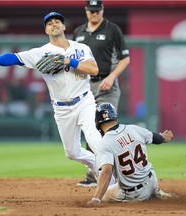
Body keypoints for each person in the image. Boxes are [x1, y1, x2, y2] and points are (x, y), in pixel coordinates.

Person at [0, 12, 102, 176]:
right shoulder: (40, 53)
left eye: (57, 21)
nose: (54, 24)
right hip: (62, 108)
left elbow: (94, 70)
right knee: (72, 153)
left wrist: (69, 61)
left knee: (94, 139)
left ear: (64, 26)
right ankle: (95, 165)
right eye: (50, 23)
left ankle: (112, 179)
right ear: (46, 30)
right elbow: (14, 58)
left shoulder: (81, 48)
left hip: (84, 101)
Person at [72, 0, 130, 187]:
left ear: (102, 10)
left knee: (107, 126)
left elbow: (125, 58)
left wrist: (112, 76)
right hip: (86, 86)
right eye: (92, 11)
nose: (95, 14)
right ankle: (93, 174)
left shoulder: (112, 29)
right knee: (91, 127)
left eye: (97, 11)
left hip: (107, 85)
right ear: (86, 11)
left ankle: (117, 171)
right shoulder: (78, 33)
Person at [86, 102, 174, 206]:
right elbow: (156, 138)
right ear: (115, 117)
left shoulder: (104, 143)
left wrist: (96, 199)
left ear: (97, 123)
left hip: (135, 194)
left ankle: (146, 195)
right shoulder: (133, 128)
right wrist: (163, 137)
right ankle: (155, 192)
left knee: (105, 194)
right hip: (152, 181)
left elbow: (106, 172)